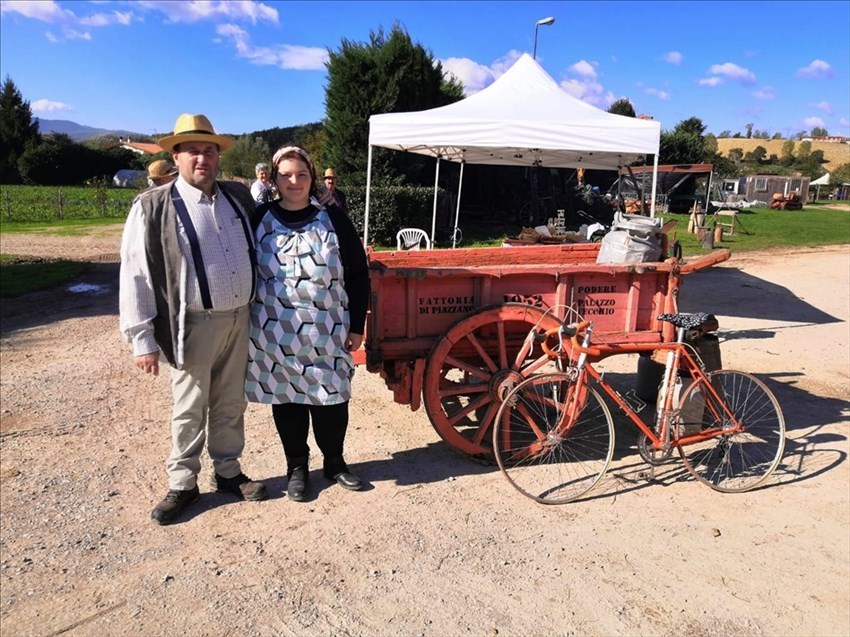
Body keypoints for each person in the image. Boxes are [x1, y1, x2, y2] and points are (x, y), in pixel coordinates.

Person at [119, 113, 268, 526]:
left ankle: (228, 471)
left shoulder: (238, 198)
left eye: (209, 151)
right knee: (189, 406)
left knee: (230, 401)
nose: (202, 158)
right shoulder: (153, 206)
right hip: (193, 324)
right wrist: (142, 338)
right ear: (176, 157)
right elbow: (135, 273)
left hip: (240, 319)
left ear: (218, 156)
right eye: (192, 151)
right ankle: (183, 482)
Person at [246, 146, 369, 502]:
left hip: (326, 330)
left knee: (332, 398)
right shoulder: (259, 218)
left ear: (312, 178)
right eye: (286, 175)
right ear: (274, 179)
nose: (294, 181)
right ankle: (297, 468)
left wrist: (357, 325)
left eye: (301, 174)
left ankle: (335, 463)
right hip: (274, 333)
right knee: (287, 400)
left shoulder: (333, 218)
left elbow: (358, 274)